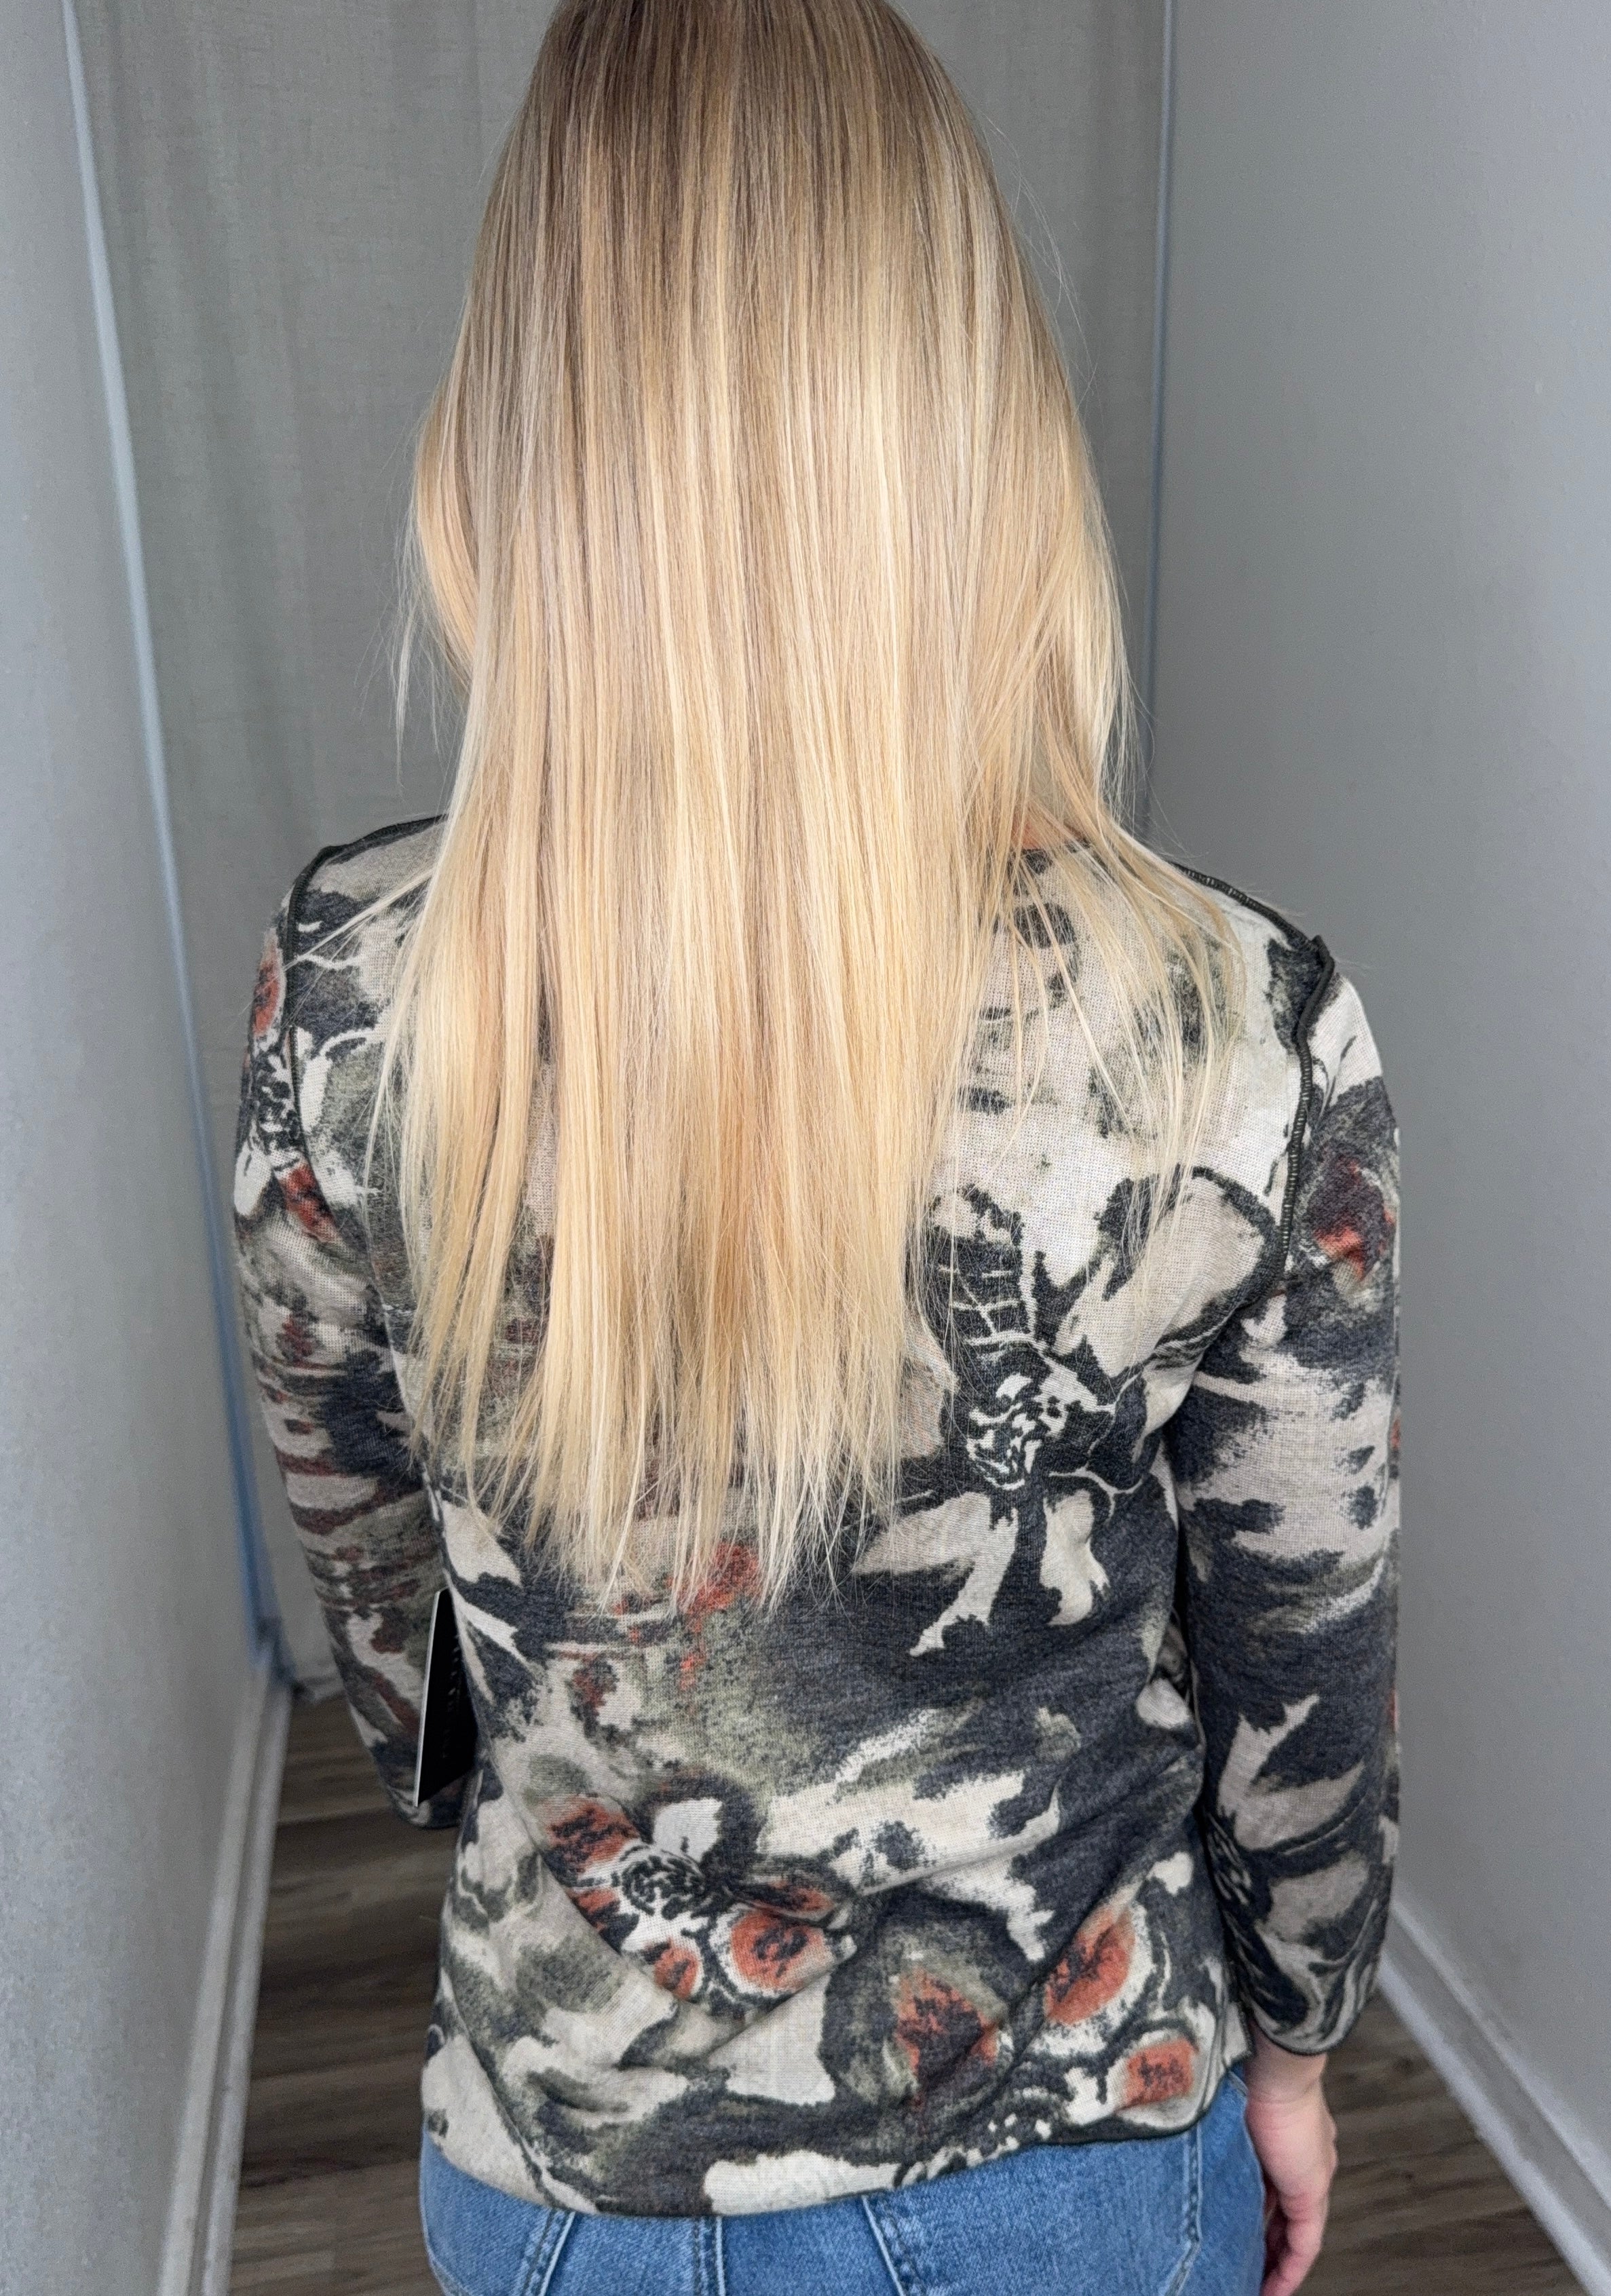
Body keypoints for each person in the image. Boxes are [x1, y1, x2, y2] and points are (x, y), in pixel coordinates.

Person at [233, 3, 1399, 2291]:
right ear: (973, 430)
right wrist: (1299, 2037)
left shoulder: (360, 986)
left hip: (562, 2158)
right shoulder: (1233, 1022)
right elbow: (1306, 1656)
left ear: (524, 433)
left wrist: (524, 1794)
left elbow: (379, 1596)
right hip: (1070, 2152)